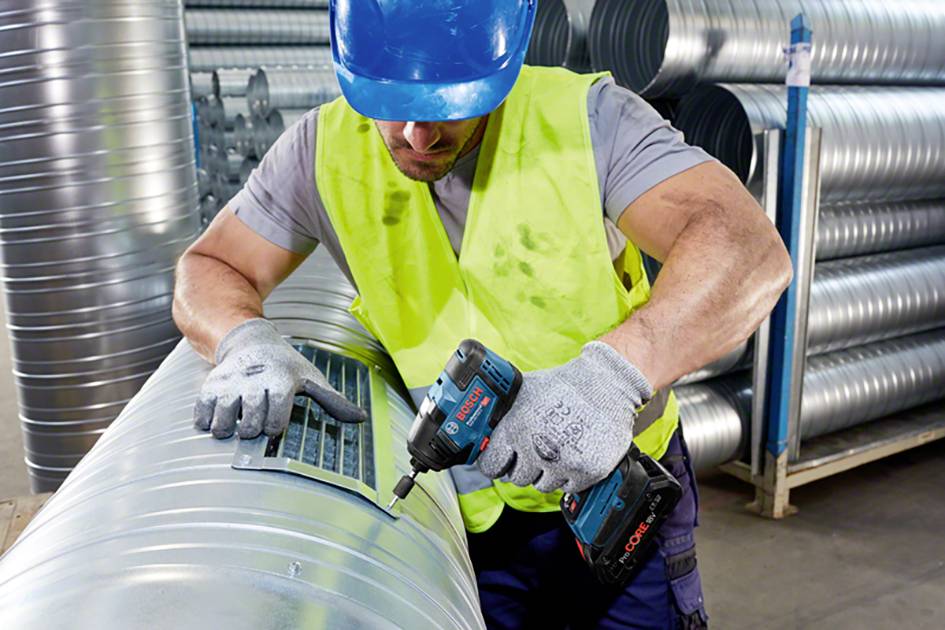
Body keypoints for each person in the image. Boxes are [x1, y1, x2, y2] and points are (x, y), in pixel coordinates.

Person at [172, 1, 792, 627]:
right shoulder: (319, 151)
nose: (417, 135)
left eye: (447, 103)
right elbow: (211, 266)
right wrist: (244, 340)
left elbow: (747, 250)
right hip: (473, 525)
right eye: (389, 100)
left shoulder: (590, 119)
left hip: (615, 495)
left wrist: (611, 377)